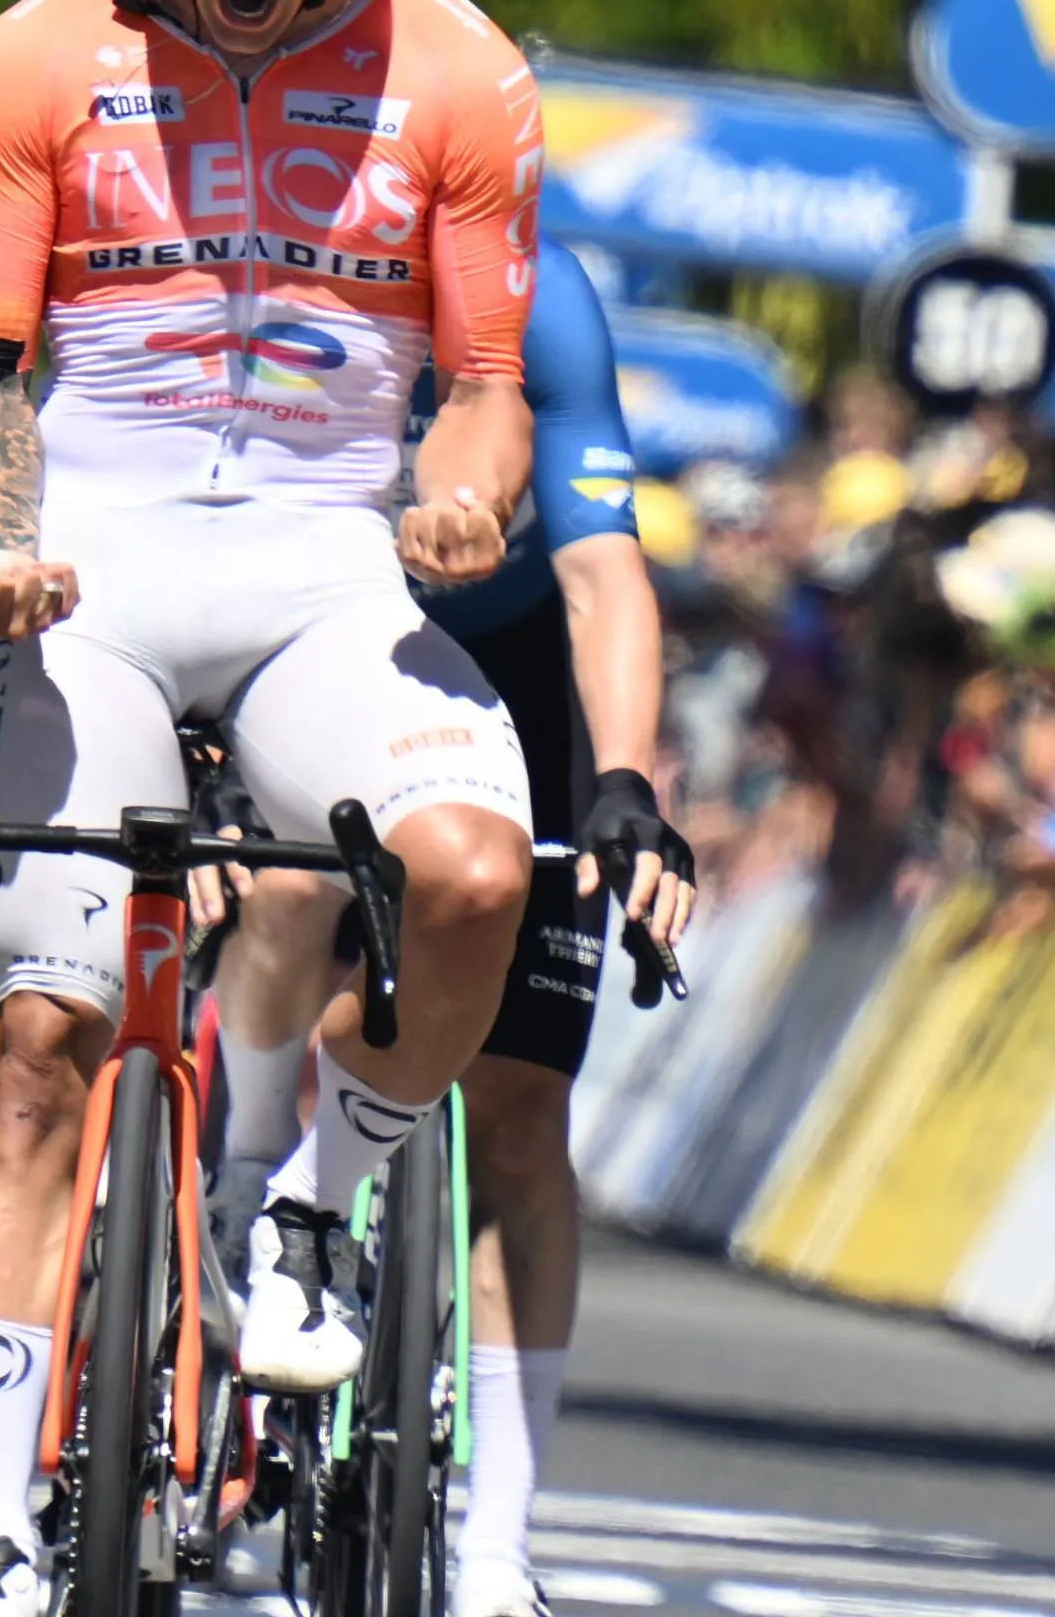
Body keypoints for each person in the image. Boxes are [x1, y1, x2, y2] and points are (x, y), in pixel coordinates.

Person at [0, 0, 545, 1616]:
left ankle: (311, 1198)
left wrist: (464, 495)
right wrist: (0, 537)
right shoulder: (33, 51)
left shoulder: (462, 75)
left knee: (471, 874)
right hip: (87, 564)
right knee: (38, 1034)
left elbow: (486, 384)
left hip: (321, 576)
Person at [199, 239, 696, 1617]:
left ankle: (494, 1554)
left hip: (517, 659)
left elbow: (606, 577)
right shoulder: (304, 262)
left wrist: (626, 786)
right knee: (295, 885)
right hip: (320, 635)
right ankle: (250, 1163)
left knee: (524, 1116)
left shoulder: (555, 302)